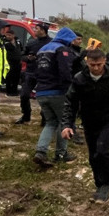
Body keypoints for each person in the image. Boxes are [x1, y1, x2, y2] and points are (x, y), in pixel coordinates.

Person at [61, 49, 109, 202]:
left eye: (99, 64)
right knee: (93, 154)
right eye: (92, 65)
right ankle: (99, 184)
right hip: (89, 120)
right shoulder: (80, 79)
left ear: (104, 61)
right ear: (87, 62)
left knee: (102, 150)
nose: (95, 68)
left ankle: (107, 183)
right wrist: (67, 124)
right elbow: (70, 102)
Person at [32, 27, 78, 167]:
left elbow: (36, 71)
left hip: (41, 92)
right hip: (57, 92)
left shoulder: (43, 49)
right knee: (63, 123)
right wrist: (71, 88)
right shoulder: (61, 50)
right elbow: (65, 71)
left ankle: (41, 151)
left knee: (51, 122)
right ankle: (61, 153)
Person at [16, 23, 51, 124]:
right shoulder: (31, 43)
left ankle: (45, 118)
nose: (34, 30)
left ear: (43, 30)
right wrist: (28, 58)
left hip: (45, 74)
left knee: (44, 97)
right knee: (24, 95)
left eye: (37, 28)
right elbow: (22, 56)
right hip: (31, 73)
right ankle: (26, 116)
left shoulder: (51, 43)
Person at [2, 27, 23, 97]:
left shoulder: (18, 40)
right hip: (9, 62)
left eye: (9, 35)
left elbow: (21, 49)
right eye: (7, 35)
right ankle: (8, 92)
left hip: (17, 62)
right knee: (9, 77)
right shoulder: (4, 42)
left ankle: (14, 92)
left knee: (16, 78)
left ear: (13, 35)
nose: (8, 36)